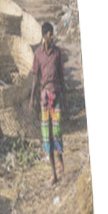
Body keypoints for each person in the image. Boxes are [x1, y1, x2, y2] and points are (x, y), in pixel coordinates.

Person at [29, 21, 66, 185]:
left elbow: (62, 76)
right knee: (46, 135)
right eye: (50, 34)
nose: (52, 37)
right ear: (44, 36)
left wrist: (65, 96)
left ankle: (60, 161)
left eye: (52, 34)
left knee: (56, 131)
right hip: (44, 97)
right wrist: (32, 99)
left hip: (56, 94)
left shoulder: (57, 53)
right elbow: (35, 78)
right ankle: (53, 174)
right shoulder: (38, 55)